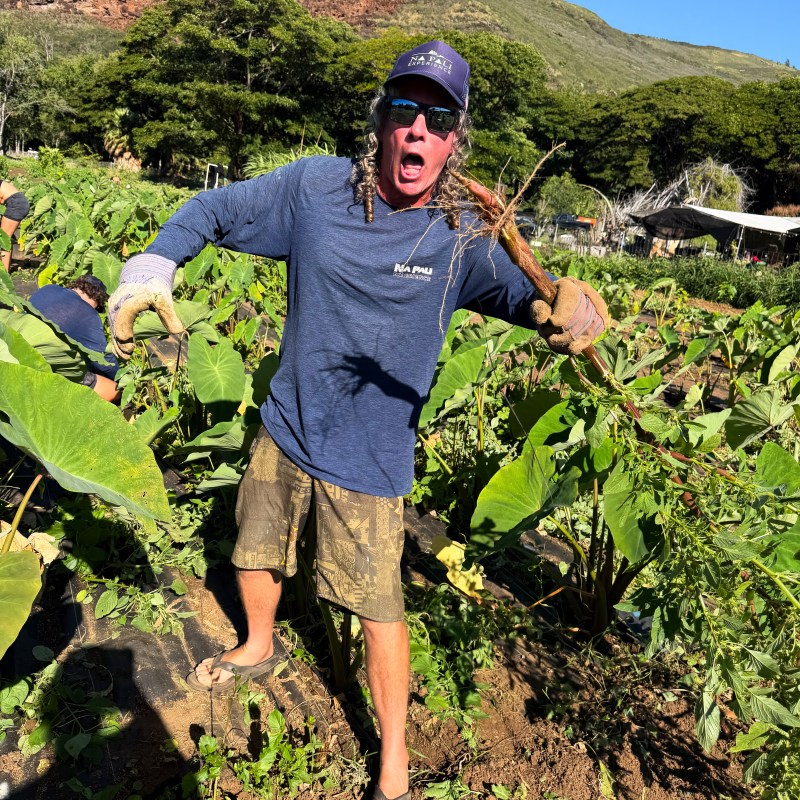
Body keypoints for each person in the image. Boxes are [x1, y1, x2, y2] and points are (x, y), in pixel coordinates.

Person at [108, 40, 608, 800]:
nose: (417, 131)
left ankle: (395, 760)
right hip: (288, 421)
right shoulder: (316, 191)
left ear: (454, 140)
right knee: (255, 547)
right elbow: (216, 207)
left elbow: (527, 300)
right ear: (380, 122)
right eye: (404, 111)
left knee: (380, 610)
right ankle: (259, 643)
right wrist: (153, 264)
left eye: (438, 119)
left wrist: (565, 304)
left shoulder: (463, 235)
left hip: (372, 459)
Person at [29, 275, 121, 403]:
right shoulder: (88, 314)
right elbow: (104, 362)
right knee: (115, 391)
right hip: (47, 368)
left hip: (15, 350)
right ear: (96, 300)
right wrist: (123, 379)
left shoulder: (48, 289)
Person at [0, 179, 30, 272]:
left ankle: (3, 273)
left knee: (4, 239)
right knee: (6, 239)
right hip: (18, 203)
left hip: (16, 204)